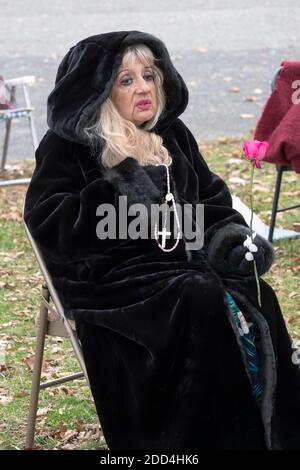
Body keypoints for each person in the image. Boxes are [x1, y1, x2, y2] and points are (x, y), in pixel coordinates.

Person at [24, 31, 300, 450]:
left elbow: (211, 201)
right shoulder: (70, 147)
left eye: (149, 75)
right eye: (126, 80)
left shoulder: (174, 135)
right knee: (198, 296)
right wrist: (123, 186)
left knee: (257, 292)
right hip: (111, 279)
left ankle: (274, 434)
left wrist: (230, 240)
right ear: (98, 90)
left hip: (182, 264)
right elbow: (50, 223)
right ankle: (205, 439)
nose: (144, 88)